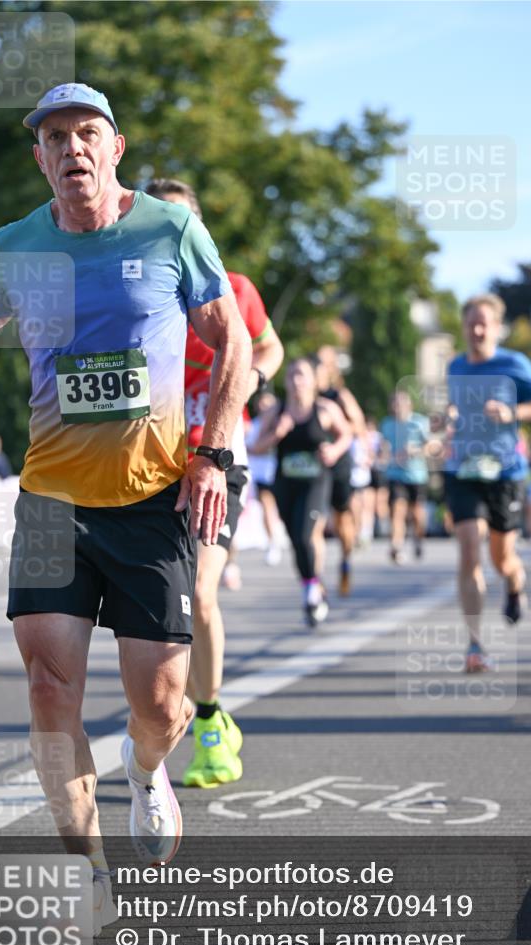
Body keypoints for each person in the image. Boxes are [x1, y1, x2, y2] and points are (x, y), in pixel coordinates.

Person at [0, 85, 252, 930]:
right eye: (56, 138)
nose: (72, 148)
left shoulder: (168, 230)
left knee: (163, 705)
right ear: (39, 158)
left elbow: (234, 341)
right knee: (48, 687)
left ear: (114, 149)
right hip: (51, 502)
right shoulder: (14, 247)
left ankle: (145, 773)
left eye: (87, 134)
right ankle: (88, 870)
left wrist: (213, 454)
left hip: (152, 500)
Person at [145, 178, 284, 789]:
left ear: (198, 229)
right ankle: (164, 718)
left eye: (181, 221)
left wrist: (251, 376)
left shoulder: (236, 289)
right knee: (156, 607)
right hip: (153, 466)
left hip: (220, 461)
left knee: (201, 592)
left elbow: (271, 347)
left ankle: (208, 723)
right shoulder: (137, 298)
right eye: (158, 221)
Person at [444, 294, 531, 672]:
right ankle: (475, 645)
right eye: (471, 323)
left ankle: (514, 582)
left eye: (484, 324)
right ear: (463, 327)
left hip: (505, 473)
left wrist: (512, 412)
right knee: (468, 550)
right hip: (463, 469)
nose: (477, 330)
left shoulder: (514, 363)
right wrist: (447, 419)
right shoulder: (456, 366)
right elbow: (454, 410)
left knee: (501, 558)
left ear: (496, 328)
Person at [252, 358, 352, 626]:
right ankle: (312, 584)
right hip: (285, 483)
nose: (297, 381)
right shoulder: (276, 411)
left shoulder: (325, 409)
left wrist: (334, 450)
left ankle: (311, 592)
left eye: (302, 375)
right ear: (286, 381)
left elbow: (346, 434)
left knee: (305, 533)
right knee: (295, 539)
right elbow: (256, 447)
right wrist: (277, 433)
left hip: (315, 482)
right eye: (292, 375)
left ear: (313, 381)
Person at [312, 346, 366, 595]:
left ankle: (345, 560)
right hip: (315, 466)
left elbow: (358, 425)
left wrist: (337, 427)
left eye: (322, 365)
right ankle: (316, 580)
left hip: (339, 465)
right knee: (315, 523)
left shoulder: (339, 395)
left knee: (342, 521)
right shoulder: (306, 396)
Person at [380, 391, 431, 564]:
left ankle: (418, 539)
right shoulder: (387, 424)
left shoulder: (419, 422)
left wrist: (414, 450)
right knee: (397, 510)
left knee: (417, 514)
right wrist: (383, 454)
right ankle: (396, 547)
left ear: (409, 405)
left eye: (401, 403)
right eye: (394, 403)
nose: (397, 406)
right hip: (395, 474)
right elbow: (383, 447)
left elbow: (431, 447)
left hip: (417, 475)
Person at [246, 390, 285, 566]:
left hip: (277, 471)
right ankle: (273, 542)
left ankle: (279, 535)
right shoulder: (253, 424)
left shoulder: (278, 425)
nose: (264, 407)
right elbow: (249, 447)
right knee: (267, 506)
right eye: (261, 403)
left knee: (278, 507)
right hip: (260, 473)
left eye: (268, 404)